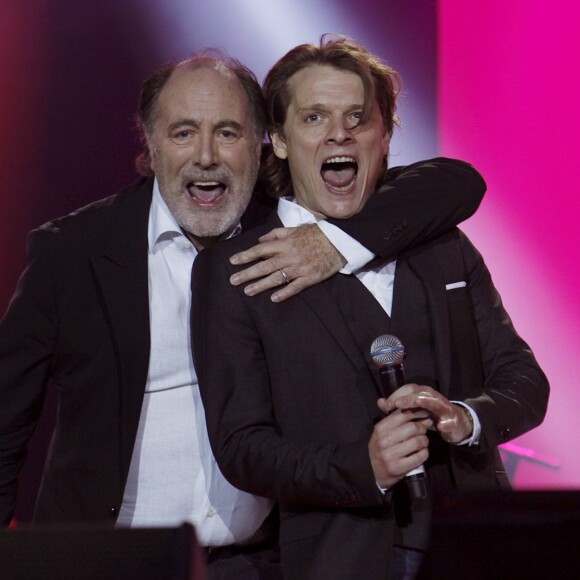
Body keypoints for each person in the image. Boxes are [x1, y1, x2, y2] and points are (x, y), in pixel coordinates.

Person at [0, 50, 484, 578]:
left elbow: (455, 183)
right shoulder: (76, 252)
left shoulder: (292, 225)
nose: (206, 155)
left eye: (228, 133)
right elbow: (6, 417)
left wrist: (335, 244)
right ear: (151, 140)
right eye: (183, 133)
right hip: (108, 558)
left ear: (262, 141)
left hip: (260, 561)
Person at [191, 37, 549, 580]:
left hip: (478, 544)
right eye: (314, 117)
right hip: (341, 556)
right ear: (280, 141)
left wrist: (464, 417)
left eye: (358, 118)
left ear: (385, 136)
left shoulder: (440, 243)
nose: (340, 133)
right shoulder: (239, 269)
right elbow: (243, 448)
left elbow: (525, 381)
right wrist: (365, 466)